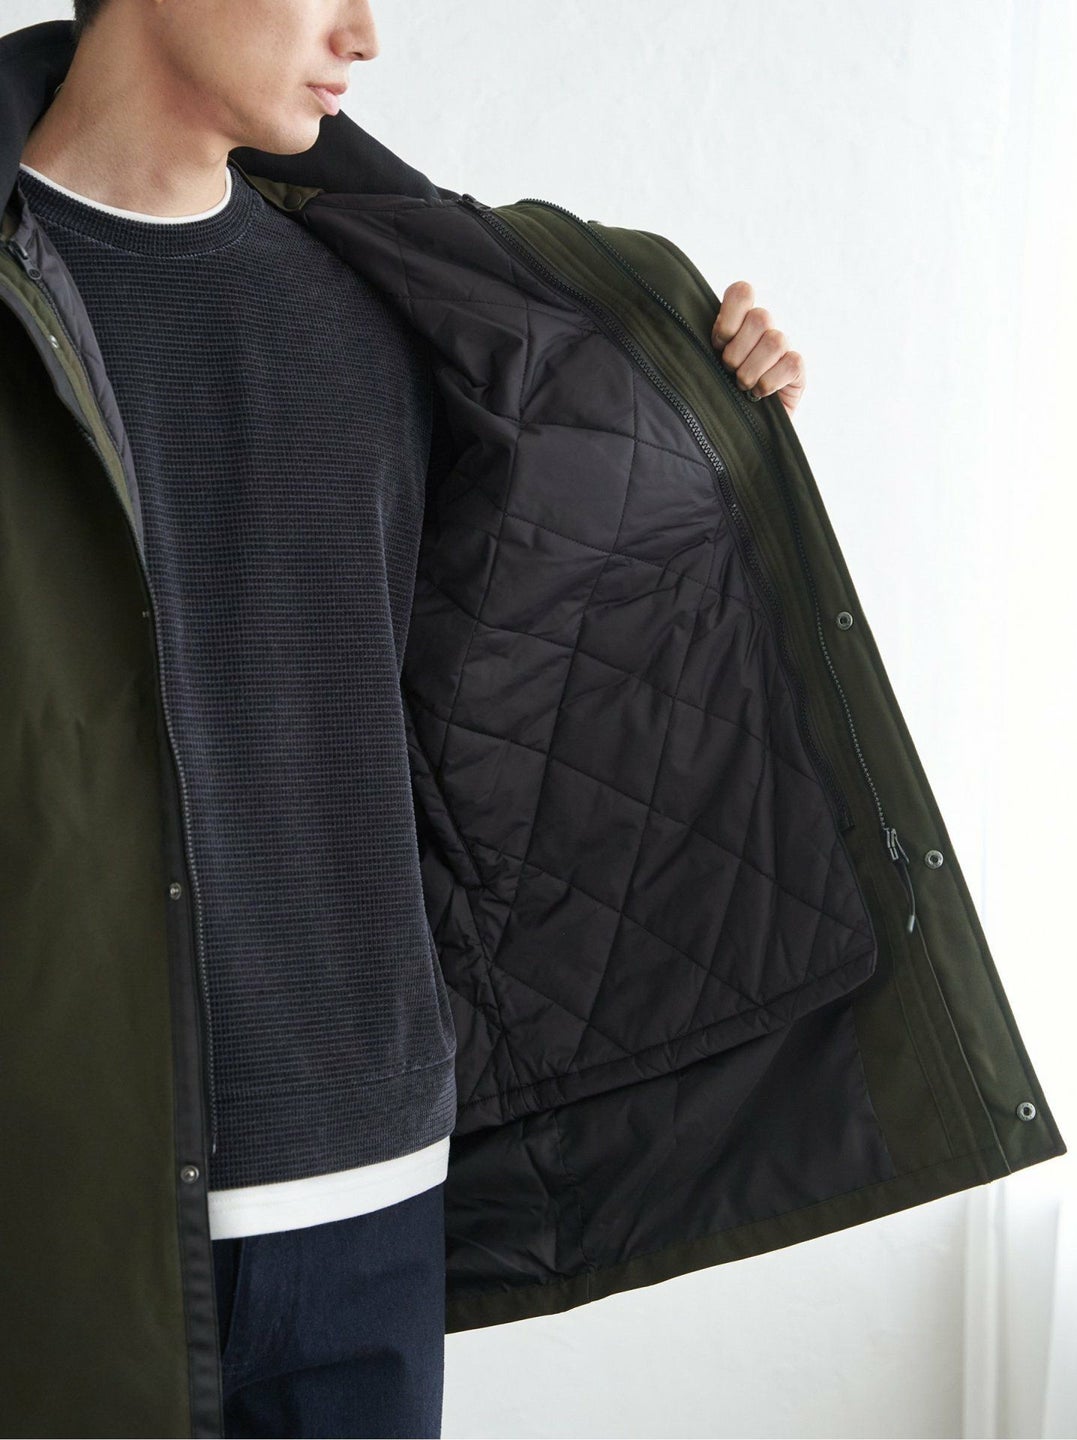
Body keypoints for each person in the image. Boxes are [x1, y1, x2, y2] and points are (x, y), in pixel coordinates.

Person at [12, 1, 805, 1434]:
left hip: (364, 1191)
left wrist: (699, 410)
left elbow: (536, 653)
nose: (364, 33)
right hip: (56, 1197)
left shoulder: (395, 305)